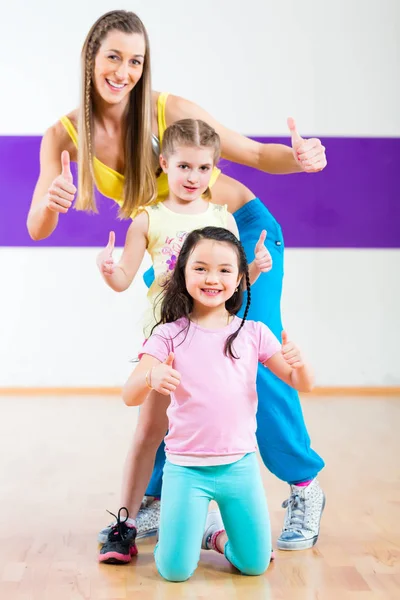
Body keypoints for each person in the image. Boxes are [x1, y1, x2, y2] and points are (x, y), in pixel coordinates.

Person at [26, 9, 326, 549]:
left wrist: (302, 159)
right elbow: (36, 227)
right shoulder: (64, 136)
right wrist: (51, 203)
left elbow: (257, 155)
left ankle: (304, 484)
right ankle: (164, 498)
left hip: (242, 236)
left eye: (135, 60)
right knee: (174, 367)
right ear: (90, 58)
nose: (123, 71)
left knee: (249, 355)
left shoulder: (170, 110)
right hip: (174, 250)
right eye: (113, 56)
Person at [105, 226, 314, 581]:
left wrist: (299, 363)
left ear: (239, 279)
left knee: (254, 564)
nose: (212, 278)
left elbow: (301, 384)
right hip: (186, 470)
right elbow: (129, 394)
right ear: (183, 272)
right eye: (200, 268)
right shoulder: (168, 334)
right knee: (174, 571)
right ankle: (187, 535)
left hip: (240, 469)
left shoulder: (254, 333)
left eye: (224, 270)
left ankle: (215, 538)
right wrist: (151, 376)